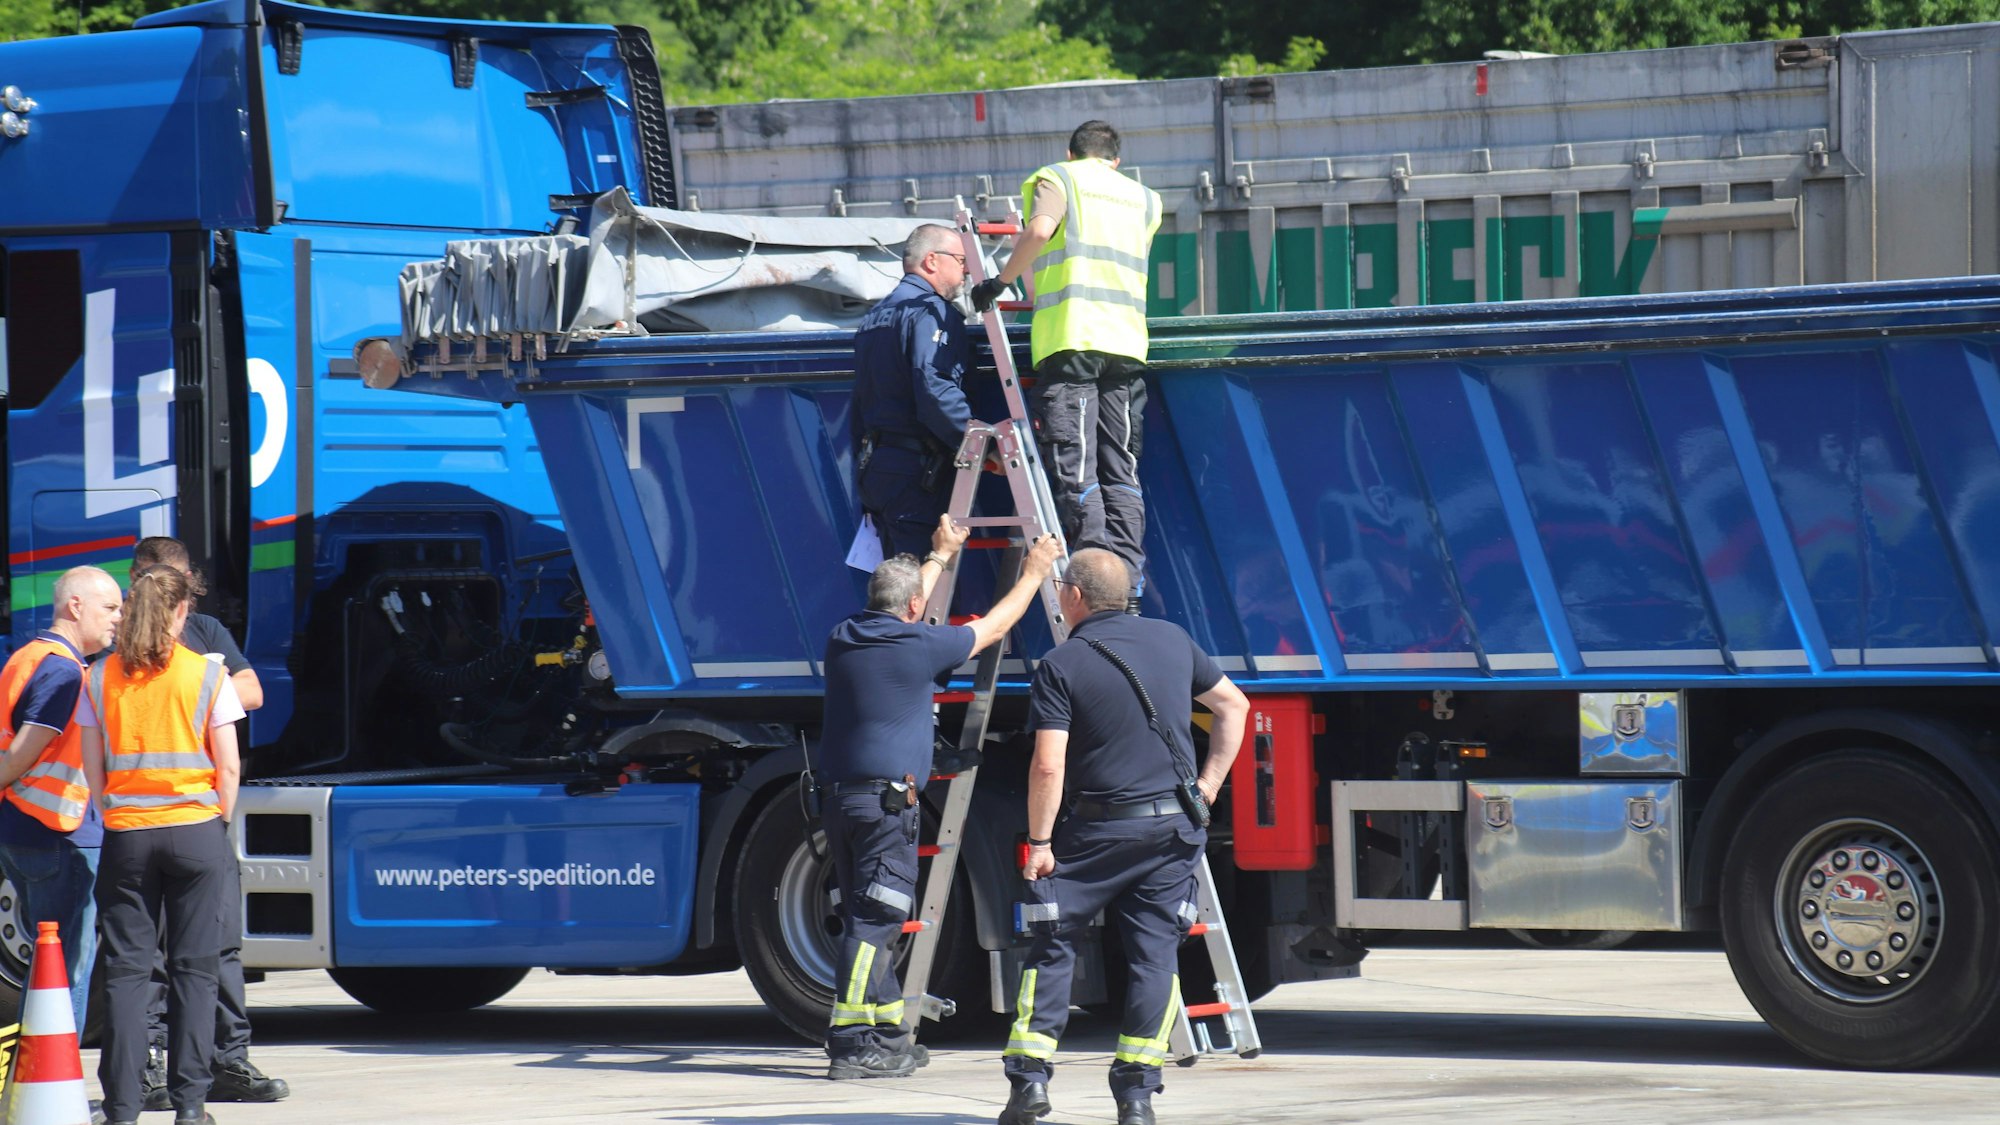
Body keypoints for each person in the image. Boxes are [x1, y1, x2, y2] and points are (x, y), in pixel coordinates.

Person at [996, 548, 1249, 1125]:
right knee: (1155, 957)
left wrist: (1039, 845)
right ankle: (1137, 1097)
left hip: (1096, 833)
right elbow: (1234, 705)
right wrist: (1207, 787)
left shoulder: (1063, 664)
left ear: (1075, 597)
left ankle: (1029, 1085)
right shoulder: (1172, 639)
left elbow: (1047, 766)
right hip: (1172, 831)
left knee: (1053, 944)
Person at [818, 515, 1063, 1080]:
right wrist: (1033, 571)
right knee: (876, 920)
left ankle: (887, 1038)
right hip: (885, 810)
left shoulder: (844, 637)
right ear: (912, 611)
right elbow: (996, 626)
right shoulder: (918, 645)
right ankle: (851, 1044)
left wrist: (939, 554)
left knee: (864, 912)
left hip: (843, 802)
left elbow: (904, 599)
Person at [79, 565, 246, 1125]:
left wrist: (117, 813)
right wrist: (213, 825)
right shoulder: (206, 675)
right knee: (195, 970)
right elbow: (228, 766)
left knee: (127, 973)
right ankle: (191, 1107)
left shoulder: (99, 677)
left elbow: (93, 767)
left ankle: (123, 1110)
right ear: (181, 613)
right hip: (196, 830)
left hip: (128, 836)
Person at [972, 121, 1163, 606]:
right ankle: (1129, 588)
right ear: (1115, 160)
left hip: (1072, 339)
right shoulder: (1145, 199)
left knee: (1077, 471)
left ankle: (1097, 591)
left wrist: (998, 283)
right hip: (1127, 346)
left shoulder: (1059, 177)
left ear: (1071, 153)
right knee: (1122, 471)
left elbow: (1040, 231)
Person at [125, 538, 287, 1108]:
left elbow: (253, 690)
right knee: (147, 956)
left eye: (179, 585)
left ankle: (227, 1061)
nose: (174, 598)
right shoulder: (119, 644)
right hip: (161, 819)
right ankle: (148, 1067)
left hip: (193, 817)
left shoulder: (208, 633)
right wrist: (205, 688)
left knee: (217, 947)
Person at [0, 566, 123, 1032]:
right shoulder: (65, 672)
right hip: (59, 832)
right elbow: (20, 752)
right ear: (76, 606)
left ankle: (33, 1084)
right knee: (66, 969)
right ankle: (56, 1085)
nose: (118, 618)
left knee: (44, 964)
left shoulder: (27, 656)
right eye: (109, 607)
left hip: (24, 825)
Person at [852, 223, 978, 559]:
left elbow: (861, 400)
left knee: (896, 580)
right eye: (961, 260)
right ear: (932, 261)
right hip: (916, 473)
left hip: (878, 468)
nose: (966, 271)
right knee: (920, 584)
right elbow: (934, 384)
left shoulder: (874, 316)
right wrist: (976, 445)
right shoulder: (932, 311)